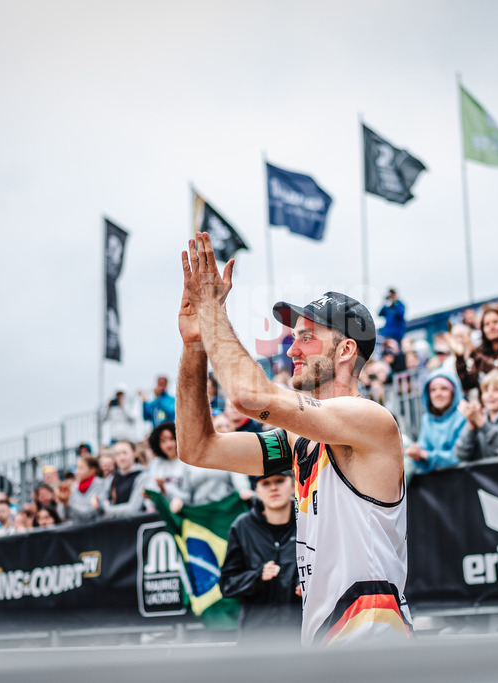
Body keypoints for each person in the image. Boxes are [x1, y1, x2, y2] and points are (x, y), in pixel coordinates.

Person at [175, 233, 413, 646]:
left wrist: (212, 309)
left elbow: (249, 396)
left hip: (372, 638)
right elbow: (197, 447)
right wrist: (195, 343)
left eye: (306, 337)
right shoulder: (299, 440)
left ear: (345, 351)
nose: (292, 348)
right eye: (294, 336)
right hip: (328, 639)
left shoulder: (369, 419)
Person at [220, 472, 303, 641]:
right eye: (265, 483)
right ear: (256, 489)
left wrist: (307, 584)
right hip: (256, 637)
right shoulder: (242, 526)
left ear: (293, 485)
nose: (273, 487)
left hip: (300, 634)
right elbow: (227, 584)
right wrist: (257, 576)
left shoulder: (309, 522)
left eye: (279, 481)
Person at [404, 370, 466, 475]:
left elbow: (459, 456)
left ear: (453, 392)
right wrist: (416, 455)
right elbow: (423, 456)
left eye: (444, 389)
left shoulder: (463, 416)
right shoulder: (427, 419)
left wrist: (426, 455)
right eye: (433, 390)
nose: (438, 394)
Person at [456, 369, 498, 461]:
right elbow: (461, 454)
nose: (490, 395)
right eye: (486, 391)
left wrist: (481, 423)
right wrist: (471, 426)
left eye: (496, 390)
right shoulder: (480, 415)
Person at [142, 421, 188, 512]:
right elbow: (151, 494)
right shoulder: (156, 464)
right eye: (163, 441)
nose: (168, 445)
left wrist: (164, 489)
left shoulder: (187, 463)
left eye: (171, 439)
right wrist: (149, 496)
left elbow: (188, 495)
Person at [101, 440, 147, 518]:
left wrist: (109, 509)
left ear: (134, 453)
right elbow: (102, 502)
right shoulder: (111, 479)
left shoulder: (143, 476)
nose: (122, 458)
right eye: (118, 454)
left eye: (125, 453)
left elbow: (133, 509)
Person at [67, 454, 107, 524]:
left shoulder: (101, 485)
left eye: (81, 468)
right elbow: (66, 515)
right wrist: (64, 503)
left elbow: (91, 514)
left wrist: (68, 504)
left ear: (92, 470)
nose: (77, 472)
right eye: (77, 468)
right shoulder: (74, 487)